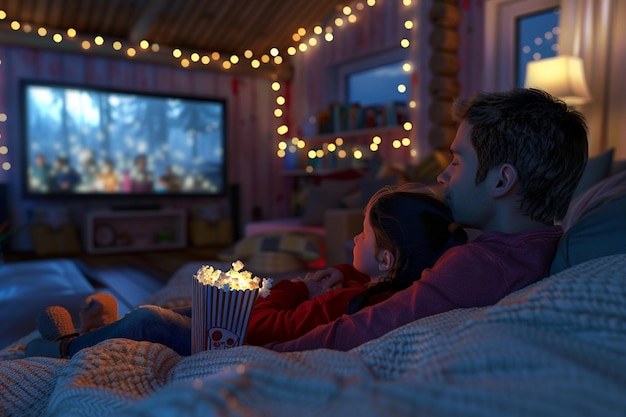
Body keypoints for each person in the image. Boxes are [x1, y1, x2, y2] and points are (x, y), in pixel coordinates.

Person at [265, 87, 588, 352]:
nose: (443, 175)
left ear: (501, 181)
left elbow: (372, 324)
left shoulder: (480, 264)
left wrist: (269, 354)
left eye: (457, 162)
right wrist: (346, 270)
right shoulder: (532, 247)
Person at [26, 185, 465, 358]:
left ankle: (63, 349)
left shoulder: (350, 302)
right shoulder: (371, 283)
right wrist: (331, 275)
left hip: (236, 341)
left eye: (362, 235)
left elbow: (263, 326)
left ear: (387, 260)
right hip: (240, 325)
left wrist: (297, 286)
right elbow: (343, 278)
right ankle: (102, 328)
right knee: (187, 306)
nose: (352, 240)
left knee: (149, 319)